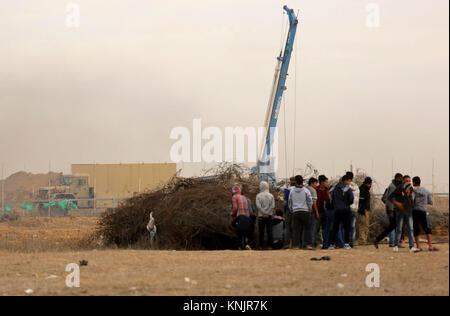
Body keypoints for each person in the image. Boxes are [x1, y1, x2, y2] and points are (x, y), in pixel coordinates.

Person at [389, 175, 420, 253]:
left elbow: (413, 199)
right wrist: (397, 204)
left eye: (409, 181)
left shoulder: (411, 189)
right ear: (403, 181)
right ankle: (396, 245)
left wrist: (413, 205)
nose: (408, 182)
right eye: (406, 180)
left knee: (410, 229)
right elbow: (390, 198)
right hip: (400, 212)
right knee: (399, 229)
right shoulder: (399, 188)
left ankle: (411, 247)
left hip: (409, 211)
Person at [374, 173, 403, 248]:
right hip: (392, 210)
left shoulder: (396, 186)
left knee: (394, 227)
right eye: (400, 179)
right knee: (393, 227)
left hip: (395, 210)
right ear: (396, 178)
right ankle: (378, 239)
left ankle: (379, 239)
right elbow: (389, 199)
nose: (401, 180)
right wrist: (390, 211)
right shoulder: (392, 186)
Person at [328, 175, 354, 250]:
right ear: (346, 180)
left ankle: (331, 245)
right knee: (346, 227)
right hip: (345, 210)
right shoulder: (347, 188)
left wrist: (335, 205)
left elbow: (330, 198)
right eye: (349, 181)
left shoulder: (334, 187)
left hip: (336, 210)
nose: (349, 182)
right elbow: (351, 200)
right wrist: (346, 204)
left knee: (335, 227)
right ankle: (346, 244)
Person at [412, 176, 438, 251]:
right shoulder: (426, 191)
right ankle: (430, 246)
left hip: (415, 211)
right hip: (423, 211)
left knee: (416, 228)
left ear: (413, 183)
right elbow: (431, 202)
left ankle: (418, 246)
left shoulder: (413, 191)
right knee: (427, 228)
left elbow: (411, 201)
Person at [288, 175, 313, 250]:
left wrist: (291, 210)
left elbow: (290, 201)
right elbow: (309, 200)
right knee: (308, 228)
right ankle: (308, 245)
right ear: (302, 181)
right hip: (305, 211)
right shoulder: (306, 190)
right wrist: (310, 208)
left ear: (295, 182)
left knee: (296, 229)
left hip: (296, 211)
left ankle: (296, 246)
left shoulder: (292, 191)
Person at [231, 185, 254, 250]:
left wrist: (232, 214)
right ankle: (247, 243)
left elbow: (235, 208)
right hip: (247, 218)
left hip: (240, 217)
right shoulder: (244, 197)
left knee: (237, 229)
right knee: (248, 232)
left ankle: (239, 246)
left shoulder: (234, 197)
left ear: (233, 191)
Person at [256, 181, 275, 249]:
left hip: (261, 216)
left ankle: (260, 246)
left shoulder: (258, 195)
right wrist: (267, 213)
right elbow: (272, 206)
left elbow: (258, 206)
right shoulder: (271, 195)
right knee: (269, 231)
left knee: (261, 231)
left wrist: (263, 213)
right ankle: (270, 246)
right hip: (269, 216)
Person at [346, 172, 360, 248]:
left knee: (346, 226)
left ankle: (346, 242)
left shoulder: (347, 186)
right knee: (352, 227)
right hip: (355, 209)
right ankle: (352, 243)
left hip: (348, 209)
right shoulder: (356, 186)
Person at [357, 177, 372, 244]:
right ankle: (362, 240)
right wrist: (362, 210)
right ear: (366, 183)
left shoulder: (366, 189)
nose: (370, 185)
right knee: (362, 225)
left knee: (366, 225)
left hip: (366, 210)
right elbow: (361, 201)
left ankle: (365, 239)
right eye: (369, 184)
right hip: (363, 210)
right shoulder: (362, 190)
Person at [315, 175, 329, 248]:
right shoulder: (316, 190)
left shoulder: (328, 190)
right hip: (318, 212)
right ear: (322, 182)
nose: (327, 183)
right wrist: (316, 212)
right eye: (326, 182)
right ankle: (318, 242)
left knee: (325, 228)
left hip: (326, 212)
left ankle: (325, 242)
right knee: (316, 228)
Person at [306, 177, 320, 248]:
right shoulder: (313, 190)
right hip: (311, 211)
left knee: (305, 229)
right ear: (311, 183)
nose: (316, 185)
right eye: (315, 183)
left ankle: (304, 244)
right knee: (312, 228)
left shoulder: (304, 188)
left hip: (304, 211)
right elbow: (314, 203)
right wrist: (317, 212)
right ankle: (311, 244)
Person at [283, 177, 296, 248]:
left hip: (288, 210)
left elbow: (285, 202)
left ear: (290, 182)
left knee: (287, 227)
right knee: (295, 227)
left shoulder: (287, 190)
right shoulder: (298, 189)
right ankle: (295, 244)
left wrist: (284, 211)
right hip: (296, 210)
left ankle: (287, 244)